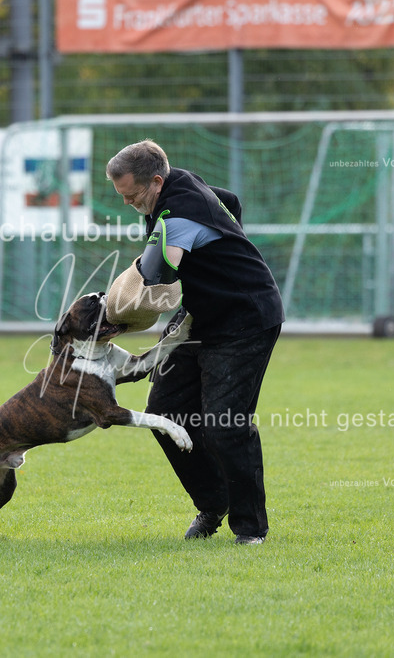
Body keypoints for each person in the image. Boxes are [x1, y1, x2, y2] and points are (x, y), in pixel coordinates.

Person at [106, 139, 284, 545]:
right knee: (165, 411)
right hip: (202, 316)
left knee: (225, 423)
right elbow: (231, 200)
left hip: (245, 318)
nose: (128, 204)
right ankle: (213, 501)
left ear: (156, 180)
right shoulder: (180, 183)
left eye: (132, 196)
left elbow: (153, 277)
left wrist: (110, 317)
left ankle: (251, 529)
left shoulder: (179, 213)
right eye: (122, 196)